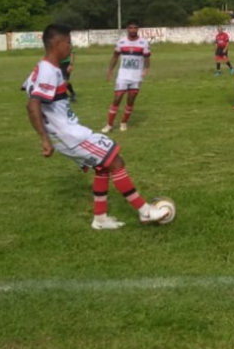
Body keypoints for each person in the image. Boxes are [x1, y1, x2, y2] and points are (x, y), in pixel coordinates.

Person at [24, 23, 171, 230]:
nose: (70, 47)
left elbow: (29, 89)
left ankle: (100, 219)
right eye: (68, 42)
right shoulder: (48, 70)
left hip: (67, 132)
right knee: (115, 161)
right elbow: (32, 104)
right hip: (68, 134)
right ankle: (145, 211)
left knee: (103, 166)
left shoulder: (41, 69)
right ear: (56, 44)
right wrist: (45, 138)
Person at [103, 20, 150, 133]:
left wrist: (146, 69)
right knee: (117, 99)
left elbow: (147, 58)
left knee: (130, 100)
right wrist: (110, 70)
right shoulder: (121, 42)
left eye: (135, 28)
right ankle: (109, 125)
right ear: (127, 29)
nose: (133, 30)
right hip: (123, 76)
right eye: (131, 28)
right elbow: (115, 57)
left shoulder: (143, 43)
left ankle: (123, 123)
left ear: (137, 29)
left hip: (136, 76)